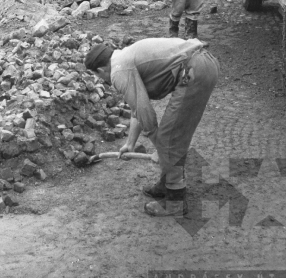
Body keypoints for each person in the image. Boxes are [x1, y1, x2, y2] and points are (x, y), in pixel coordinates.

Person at [84, 39, 219, 217]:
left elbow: (145, 112)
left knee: (169, 139)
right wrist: (130, 143)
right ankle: (167, 183)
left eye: (97, 76)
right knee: (171, 137)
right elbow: (137, 108)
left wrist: (161, 149)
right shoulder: (123, 58)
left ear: (101, 70)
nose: (100, 79)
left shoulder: (119, 71)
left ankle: (175, 202)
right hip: (202, 64)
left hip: (196, 70)